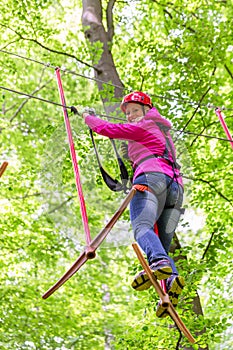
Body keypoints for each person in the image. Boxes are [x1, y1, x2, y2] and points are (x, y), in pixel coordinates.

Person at [82, 91, 185, 317]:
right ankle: (171, 285)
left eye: (135, 110)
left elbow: (107, 129)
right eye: (127, 113)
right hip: (176, 190)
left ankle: (157, 264)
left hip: (152, 179)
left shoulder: (145, 125)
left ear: (147, 111)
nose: (130, 116)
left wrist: (88, 117)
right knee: (159, 243)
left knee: (142, 228)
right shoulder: (163, 132)